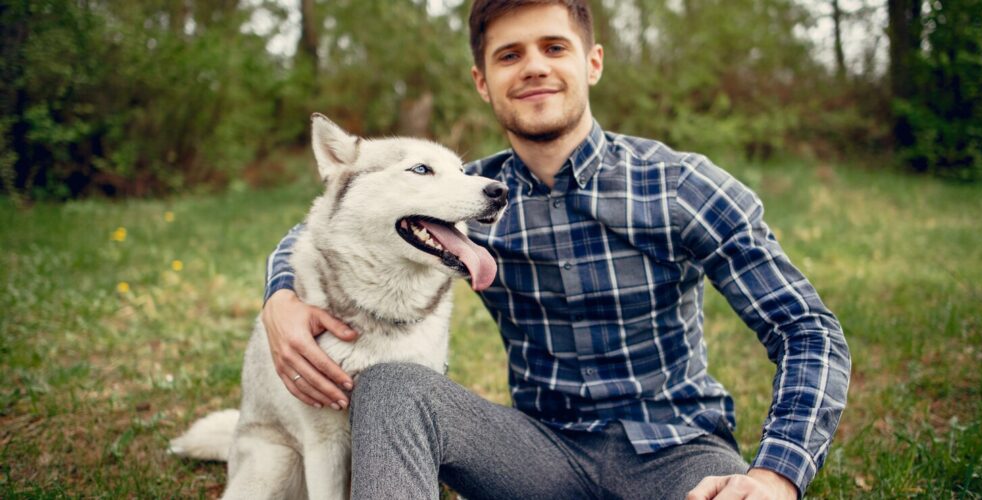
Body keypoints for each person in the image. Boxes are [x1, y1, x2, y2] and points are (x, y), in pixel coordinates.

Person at [260, 1, 851, 498]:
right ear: (482, 80)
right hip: (539, 456)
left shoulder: (678, 185)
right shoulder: (474, 198)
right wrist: (280, 296)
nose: (534, 68)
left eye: (554, 47)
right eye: (510, 55)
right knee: (390, 387)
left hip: (677, 453)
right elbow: (339, 221)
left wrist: (777, 473)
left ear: (592, 62)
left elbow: (805, 327)